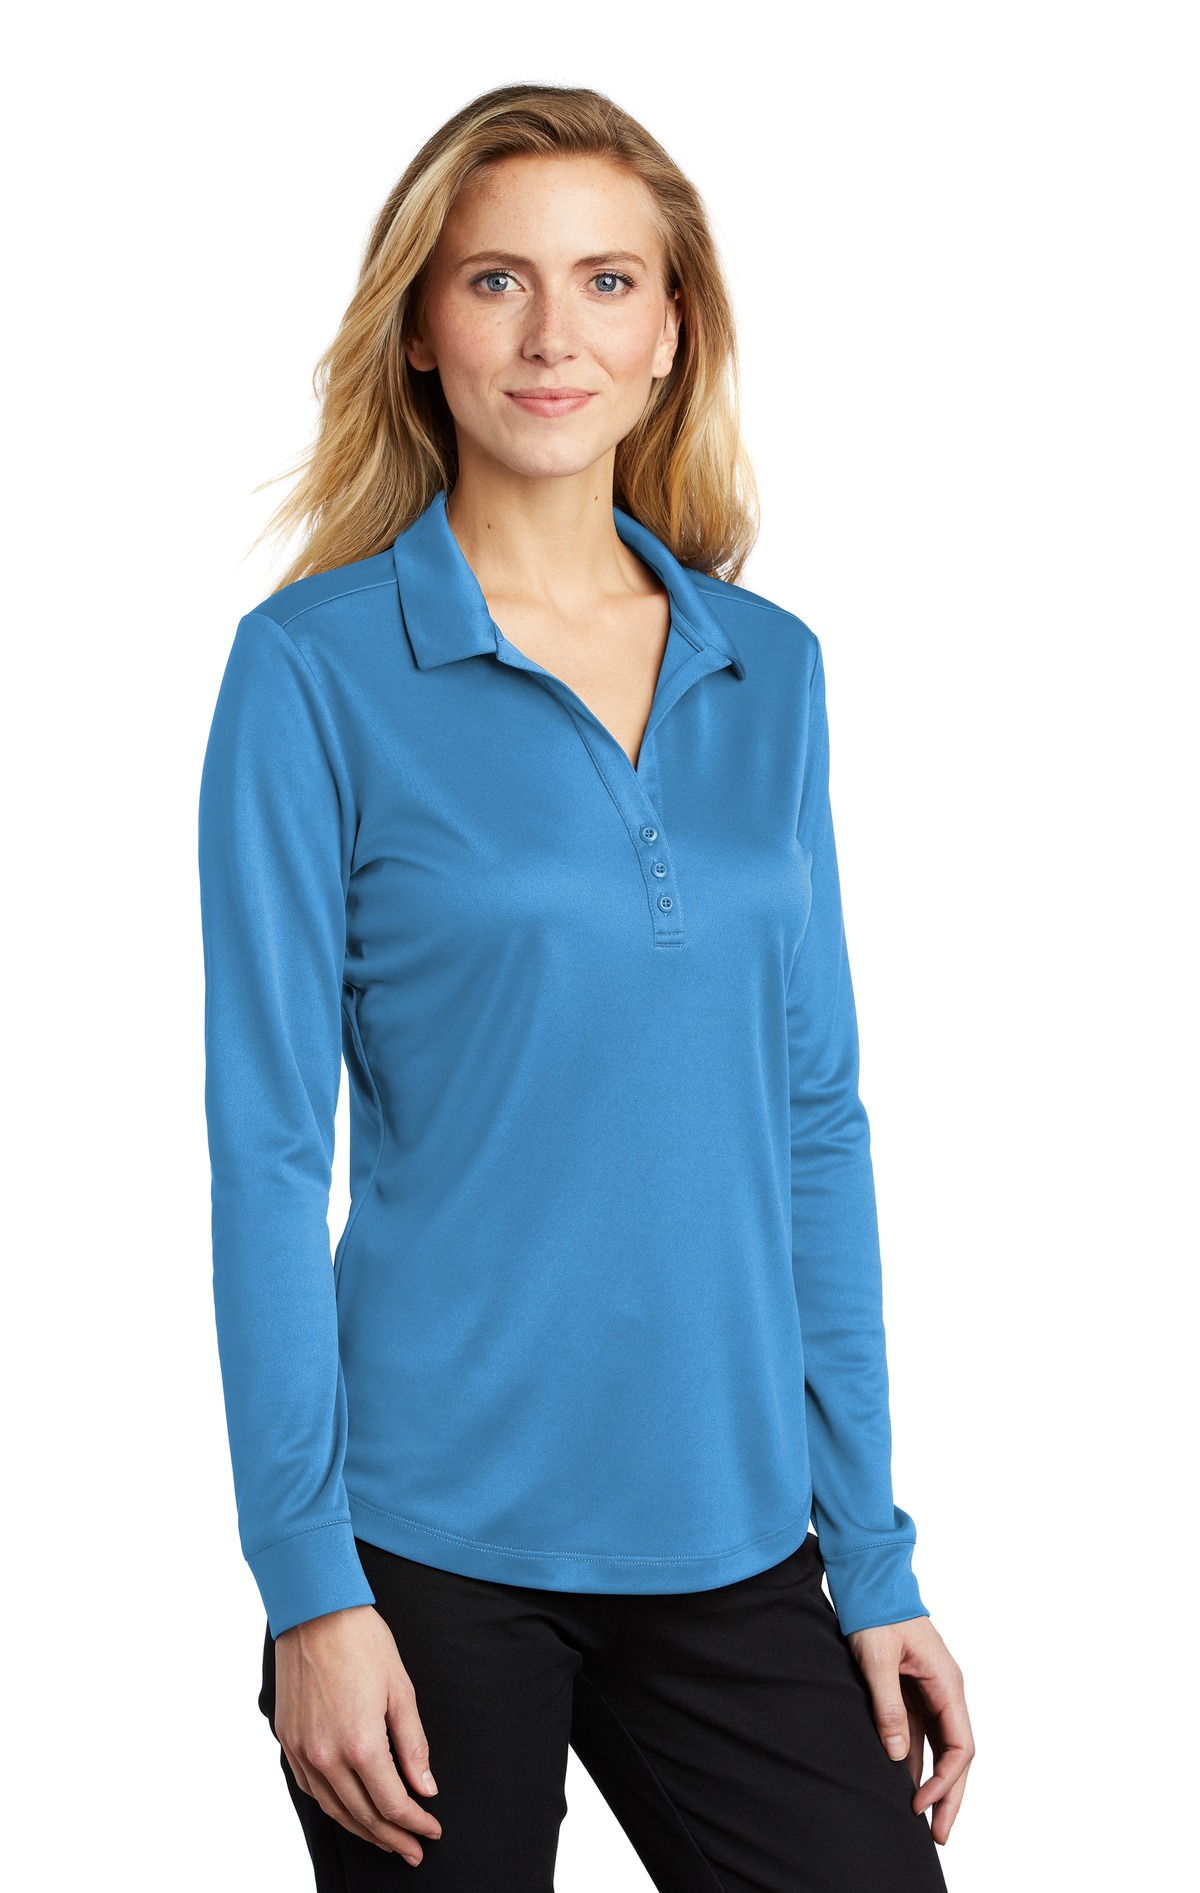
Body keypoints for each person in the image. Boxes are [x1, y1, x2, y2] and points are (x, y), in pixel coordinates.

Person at [197, 81, 973, 1892]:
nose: (555, 336)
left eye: (608, 281)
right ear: (419, 328)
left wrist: (871, 1555)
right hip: (425, 1550)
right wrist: (309, 1583)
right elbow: (265, 1150)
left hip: (732, 1536)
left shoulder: (768, 669)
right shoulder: (312, 670)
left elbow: (813, 1123)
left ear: (671, 329)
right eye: (498, 282)